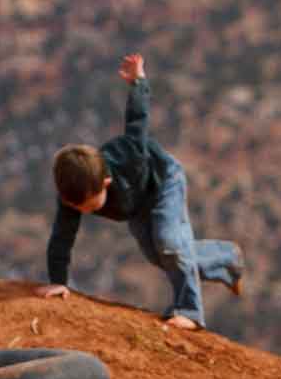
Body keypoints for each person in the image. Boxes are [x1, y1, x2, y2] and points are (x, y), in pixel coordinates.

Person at [37, 53, 244, 330]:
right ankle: (226, 258)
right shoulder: (73, 194)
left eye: (89, 205)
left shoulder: (128, 155)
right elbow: (61, 239)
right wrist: (58, 281)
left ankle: (190, 311)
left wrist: (139, 82)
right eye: (78, 208)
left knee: (169, 243)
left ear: (105, 184)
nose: (84, 212)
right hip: (135, 206)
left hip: (163, 183)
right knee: (159, 257)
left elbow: (137, 120)